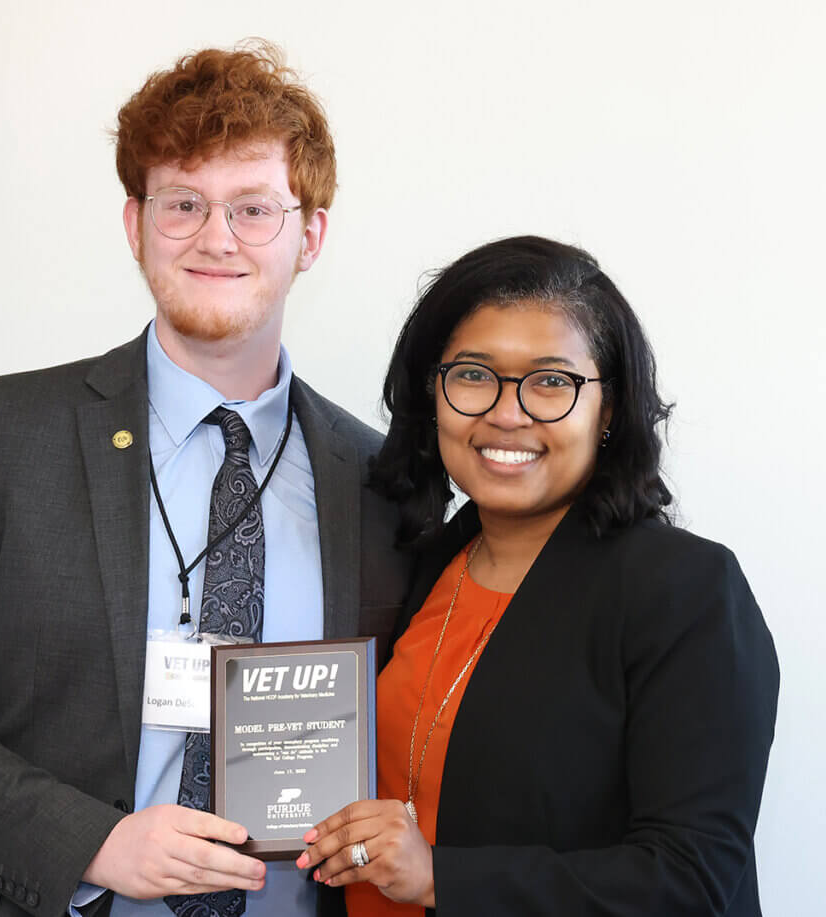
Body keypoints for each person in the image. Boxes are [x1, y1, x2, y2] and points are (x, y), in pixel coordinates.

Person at [0, 43, 409, 917]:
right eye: (183, 203)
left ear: (311, 236)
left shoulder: (382, 481)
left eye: (255, 208)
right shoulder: (4, 432)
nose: (217, 237)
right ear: (135, 224)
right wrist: (95, 843)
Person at [297, 236, 779, 916]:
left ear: (608, 409)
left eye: (551, 381)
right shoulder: (427, 561)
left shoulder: (687, 590)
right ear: (432, 392)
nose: (507, 411)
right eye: (472, 373)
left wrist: (440, 876)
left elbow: (690, 879)